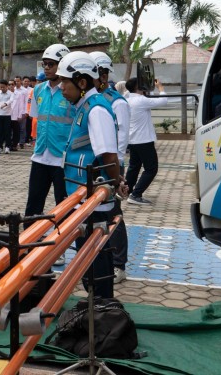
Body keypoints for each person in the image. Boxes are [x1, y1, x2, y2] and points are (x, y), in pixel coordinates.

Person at [58, 51, 129, 300]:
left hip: (94, 200)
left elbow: (108, 155)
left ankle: (101, 306)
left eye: (65, 81)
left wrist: (117, 181)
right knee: (87, 258)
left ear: (82, 82)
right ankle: (95, 301)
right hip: (82, 195)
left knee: (96, 257)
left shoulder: (96, 109)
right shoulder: (83, 106)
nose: (61, 87)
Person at [89, 51, 131, 284]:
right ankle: (100, 258)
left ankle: (118, 264)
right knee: (98, 215)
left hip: (112, 166)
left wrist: (116, 172)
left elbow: (121, 140)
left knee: (114, 215)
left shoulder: (117, 101)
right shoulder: (91, 100)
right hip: (96, 167)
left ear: (103, 75)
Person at [24, 44, 71, 218]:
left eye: (51, 64)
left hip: (63, 159)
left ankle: (66, 242)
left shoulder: (71, 91)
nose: (47, 68)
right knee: (33, 205)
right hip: (40, 156)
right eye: (45, 63)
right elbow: (36, 118)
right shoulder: (38, 90)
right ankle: (28, 242)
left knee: (65, 205)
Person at [125, 77, 169, 205]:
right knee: (151, 169)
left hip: (133, 140)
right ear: (138, 88)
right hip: (143, 140)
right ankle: (136, 194)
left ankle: (127, 190)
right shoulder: (141, 100)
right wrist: (160, 88)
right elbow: (163, 101)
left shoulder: (127, 99)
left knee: (134, 167)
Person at [0, 80, 13, 154]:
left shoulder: (11, 94)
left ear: (7, 86)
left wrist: (5, 104)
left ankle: (7, 147)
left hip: (7, 115)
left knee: (7, 131)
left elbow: (11, 100)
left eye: (3, 87)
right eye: (1, 87)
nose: (2, 88)